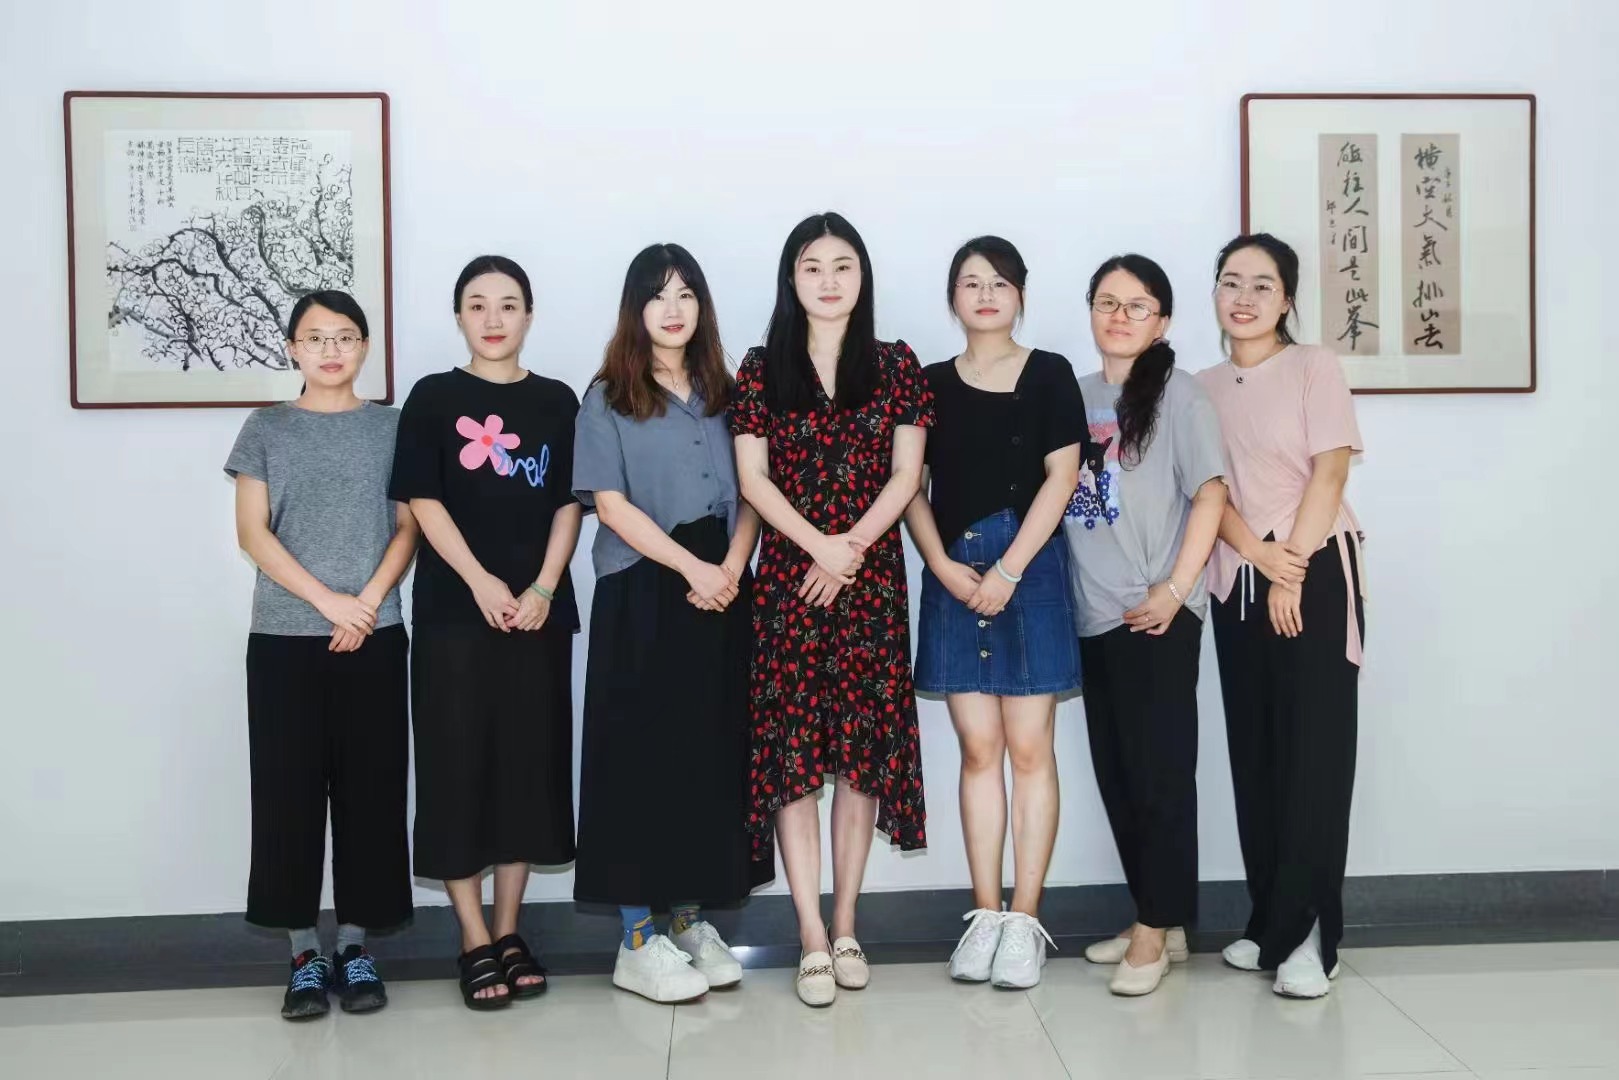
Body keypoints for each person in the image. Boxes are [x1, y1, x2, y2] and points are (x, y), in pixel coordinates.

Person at [730, 212, 933, 1006]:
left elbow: (906, 475)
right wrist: (819, 546)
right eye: (811, 266)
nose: (827, 280)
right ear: (791, 278)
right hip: (790, 581)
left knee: (859, 759)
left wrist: (848, 549)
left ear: (862, 276)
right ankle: (809, 934)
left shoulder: (895, 363)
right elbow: (752, 479)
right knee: (794, 763)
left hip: (869, 583)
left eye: (842, 265)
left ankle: (846, 924)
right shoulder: (760, 368)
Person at [572, 243, 773, 1003]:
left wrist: (731, 567)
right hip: (644, 589)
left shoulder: (728, 392)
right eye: (657, 295)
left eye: (686, 293)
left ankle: (689, 922)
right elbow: (611, 505)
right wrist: (693, 569)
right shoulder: (608, 397)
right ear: (636, 308)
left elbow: (753, 491)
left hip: (722, 587)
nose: (673, 308)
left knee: (706, 754)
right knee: (637, 759)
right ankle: (635, 941)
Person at [388, 256, 583, 1010]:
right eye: (477, 304)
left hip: (537, 614)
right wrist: (478, 581)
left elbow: (569, 502)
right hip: (453, 615)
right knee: (456, 768)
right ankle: (472, 937)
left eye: (508, 304)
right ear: (459, 316)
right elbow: (422, 500)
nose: (493, 319)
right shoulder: (433, 397)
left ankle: (508, 930)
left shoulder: (557, 401)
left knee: (526, 770)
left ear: (529, 315)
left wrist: (542, 587)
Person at [225, 290, 416, 1020]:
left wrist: (364, 602)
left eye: (344, 336)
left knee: (371, 793)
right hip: (284, 640)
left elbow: (408, 527)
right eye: (314, 337)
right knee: (288, 796)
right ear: (292, 349)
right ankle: (304, 954)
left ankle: (356, 948)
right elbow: (253, 534)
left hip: (376, 633)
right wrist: (329, 602)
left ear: (364, 346)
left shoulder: (392, 427)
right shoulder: (265, 427)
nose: (330, 350)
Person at [903, 236, 1083, 990]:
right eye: (971, 283)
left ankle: (1024, 921)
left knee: (1030, 749)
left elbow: (1062, 475)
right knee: (978, 750)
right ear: (952, 297)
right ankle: (984, 916)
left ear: (1020, 295)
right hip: (952, 572)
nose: (985, 294)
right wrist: (940, 565)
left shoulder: (1050, 373)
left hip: (1029, 571)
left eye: (999, 283)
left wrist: (1008, 570)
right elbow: (907, 484)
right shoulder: (926, 382)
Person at [1198, 233, 1367, 999]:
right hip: (1238, 575)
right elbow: (1209, 492)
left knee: (1312, 757)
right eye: (1230, 282)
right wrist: (1256, 558)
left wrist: (1289, 568)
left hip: (1314, 568)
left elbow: (1328, 472)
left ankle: (1311, 936)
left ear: (1287, 299)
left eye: (1261, 285)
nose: (1243, 298)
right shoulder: (1198, 387)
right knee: (1256, 753)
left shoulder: (1312, 366)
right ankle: (1268, 922)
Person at [1063, 256, 1228, 996]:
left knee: (1160, 777)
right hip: (1092, 615)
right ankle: (1157, 918)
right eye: (1107, 302)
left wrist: (1176, 589)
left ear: (1161, 321)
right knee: (1119, 776)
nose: (1120, 316)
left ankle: (1155, 931)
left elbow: (1211, 494)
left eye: (1137, 305)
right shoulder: (1074, 396)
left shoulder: (1179, 395)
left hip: (1156, 613)